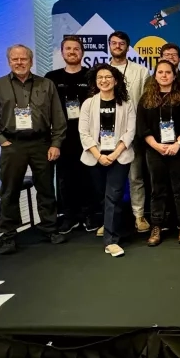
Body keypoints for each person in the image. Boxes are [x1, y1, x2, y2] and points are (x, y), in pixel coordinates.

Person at [0, 44, 67, 254]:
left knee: (46, 188)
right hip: (13, 144)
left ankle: (49, 228)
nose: (19, 63)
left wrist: (56, 144)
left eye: (23, 59)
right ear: (9, 61)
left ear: (31, 60)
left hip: (41, 144)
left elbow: (58, 117)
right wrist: (2, 141)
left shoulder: (46, 85)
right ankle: (9, 236)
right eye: (15, 59)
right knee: (10, 191)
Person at [78, 64, 136, 258]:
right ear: (96, 81)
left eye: (108, 77)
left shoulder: (126, 104)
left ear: (116, 80)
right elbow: (83, 133)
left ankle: (111, 241)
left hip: (119, 156)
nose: (104, 80)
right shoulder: (88, 104)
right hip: (95, 157)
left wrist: (114, 154)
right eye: (100, 77)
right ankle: (112, 225)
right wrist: (98, 155)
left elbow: (130, 131)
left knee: (114, 195)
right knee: (103, 196)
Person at [137, 59, 180, 247]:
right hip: (155, 151)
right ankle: (156, 226)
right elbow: (142, 128)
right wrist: (156, 145)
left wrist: (177, 143)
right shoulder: (146, 99)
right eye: (160, 72)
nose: (164, 75)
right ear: (155, 75)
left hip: (178, 150)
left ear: (174, 75)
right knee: (157, 190)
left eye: (168, 72)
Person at [45, 35, 94, 233]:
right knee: (65, 179)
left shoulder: (92, 75)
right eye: (68, 49)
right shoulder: (52, 78)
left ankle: (90, 214)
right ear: (62, 52)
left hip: (88, 137)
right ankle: (69, 216)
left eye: (76, 49)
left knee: (89, 177)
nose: (72, 52)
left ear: (82, 53)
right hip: (62, 137)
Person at [108, 30, 151, 234]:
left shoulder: (140, 71)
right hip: (107, 136)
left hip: (133, 133)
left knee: (136, 177)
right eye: (114, 43)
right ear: (109, 46)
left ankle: (139, 215)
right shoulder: (102, 71)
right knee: (109, 180)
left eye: (121, 43)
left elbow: (146, 103)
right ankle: (107, 219)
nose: (117, 46)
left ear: (127, 46)